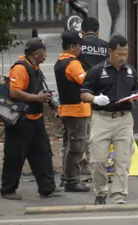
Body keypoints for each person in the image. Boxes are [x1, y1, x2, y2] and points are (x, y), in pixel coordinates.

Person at [0, 38, 63, 200]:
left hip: (36, 120)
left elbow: (38, 90)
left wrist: (48, 100)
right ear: (36, 53)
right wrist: (36, 98)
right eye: (44, 51)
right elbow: (14, 92)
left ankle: (47, 188)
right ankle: (8, 190)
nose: (46, 55)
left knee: (43, 154)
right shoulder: (20, 69)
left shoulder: (35, 68)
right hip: (21, 121)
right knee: (15, 156)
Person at [81, 35, 138, 205]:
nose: (123, 58)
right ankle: (100, 191)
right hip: (102, 118)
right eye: (119, 54)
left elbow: (136, 90)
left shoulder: (130, 71)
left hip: (124, 119)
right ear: (110, 52)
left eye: (125, 54)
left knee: (123, 160)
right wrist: (95, 99)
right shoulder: (97, 71)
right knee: (98, 159)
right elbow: (84, 93)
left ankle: (119, 196)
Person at [55, 31, 91, 192]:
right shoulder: (73, 64)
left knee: (68, 147)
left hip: (66, 110)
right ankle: (72, 181)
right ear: (72, 47)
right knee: (76, 148)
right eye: (79, 46)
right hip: (77, 111)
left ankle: (66, 178)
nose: (81, 50)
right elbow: (87, 82)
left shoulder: (60, 62)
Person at [79, 16, 109, 176]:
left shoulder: (78, 46)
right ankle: (96, 163)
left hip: (82, 93)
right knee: (97, 131)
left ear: (82, 32)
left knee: (83, 130)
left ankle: (84, 162)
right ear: (97, 32)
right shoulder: (105, 46)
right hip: (101, 94)